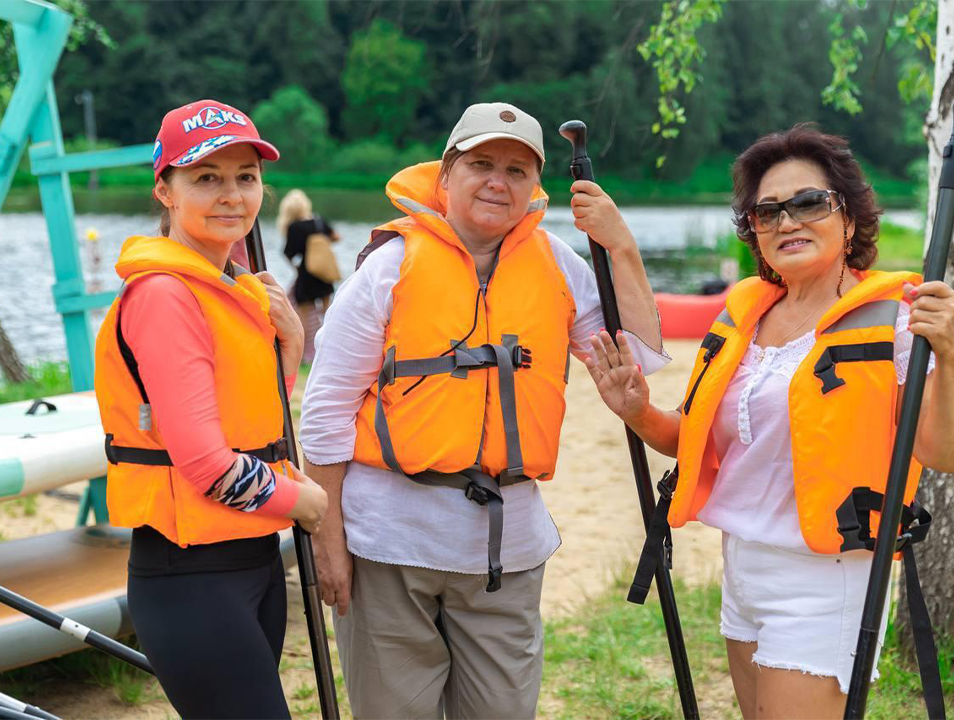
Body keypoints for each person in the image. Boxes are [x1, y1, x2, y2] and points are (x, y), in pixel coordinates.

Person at [298, 102, 667, 718]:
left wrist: (620, 246)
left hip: (507, 549)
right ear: (445, 175)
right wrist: (328, 540)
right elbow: (327, 413)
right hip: (388, 546)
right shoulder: (389, 266)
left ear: (535, 188)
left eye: (518, 170)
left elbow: (643, 356)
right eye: (482, 164)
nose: (499, 181)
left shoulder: (558, 266)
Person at [585, 124, 954, 719]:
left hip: (829, 575)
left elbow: (941, 451)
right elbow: (693, 441)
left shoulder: (898, 322)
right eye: (768, 211)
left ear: (850, 219)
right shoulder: (745, 318)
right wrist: (638, 411)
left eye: (809, 203)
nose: (788, 222)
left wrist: (952, 354)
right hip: (746, 565)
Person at [94, 99, 328, 719]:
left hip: (249, 559)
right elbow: (207, 464)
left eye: (245, 177)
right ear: (165, 190)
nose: (231, 195)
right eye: (206, 178)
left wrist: (292, 345)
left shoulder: (233, 286)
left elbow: (247, 414)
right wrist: (297, 501)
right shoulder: (166, 294)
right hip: (192, 574)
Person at [278, 188, 341, 364]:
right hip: (323, 273)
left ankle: (306, 354)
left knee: (303, 315)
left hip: (306, 275)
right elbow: (336, 236)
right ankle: (333, 348)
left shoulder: (294, 227)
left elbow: (288, 252)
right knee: (328, 311)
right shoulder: (319, 221)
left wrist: (297, 268)